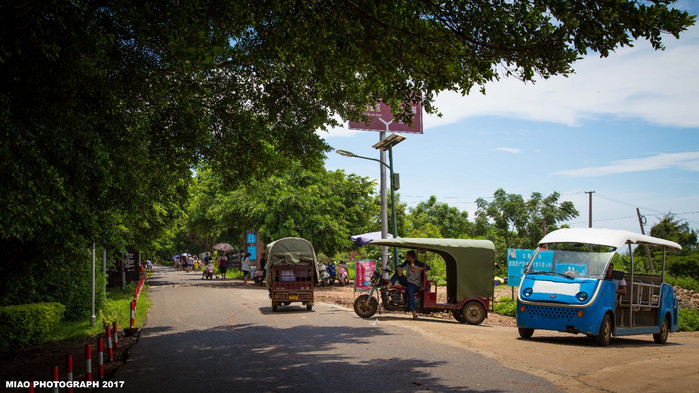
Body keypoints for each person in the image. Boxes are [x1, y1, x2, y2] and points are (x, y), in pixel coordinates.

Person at [386, 250, 430, 320]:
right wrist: (400, 269)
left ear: (411, 257)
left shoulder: (419, 263)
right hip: (407, 281)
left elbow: (428, 267)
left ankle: (414, 313)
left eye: (407, 256)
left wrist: (417, 268)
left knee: (410, 292)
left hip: (414, 284)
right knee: (398, 272)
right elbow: (400, 266)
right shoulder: (407, 263)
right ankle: (389, 285)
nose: (406, 257)